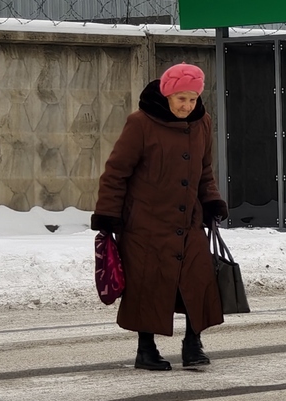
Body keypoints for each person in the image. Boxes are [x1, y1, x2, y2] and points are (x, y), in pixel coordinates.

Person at [92, 63, 226, 370]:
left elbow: (205, 170)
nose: (187, 105)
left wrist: (211, 201)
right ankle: (146, 349)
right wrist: (108, 215)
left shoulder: (202, 122)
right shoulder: (141, 123)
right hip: (145, 224)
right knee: (148, 285)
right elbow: (116, 173)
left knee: (196, 281)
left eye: (192, 98)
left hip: (188, 221)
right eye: (181, 98)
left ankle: (193, 343)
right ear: (167, 95)